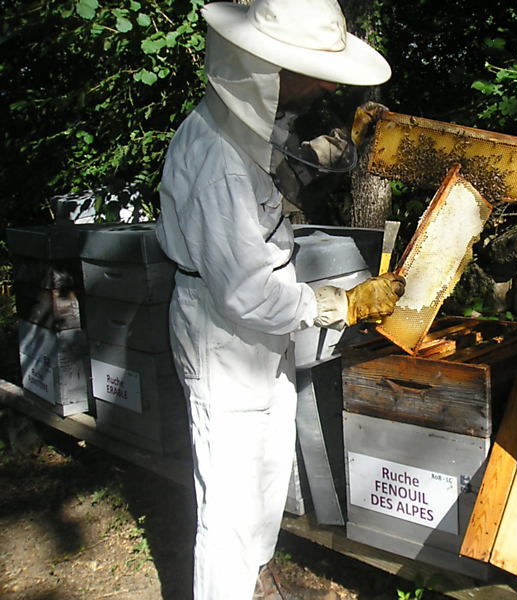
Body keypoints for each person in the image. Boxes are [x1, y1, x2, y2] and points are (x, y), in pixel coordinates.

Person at [154, 0, 405, 598]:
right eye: (309, 69)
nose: (322, 82)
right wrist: (338, 305)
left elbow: (287, 167)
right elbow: (248, 293)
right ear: (263, 65)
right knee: (231, 498)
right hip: (226, 329)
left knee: (267, 470)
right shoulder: (219, 161)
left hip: (254, 324)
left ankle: (255, 580)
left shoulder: (247, 123)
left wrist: (346, 143)